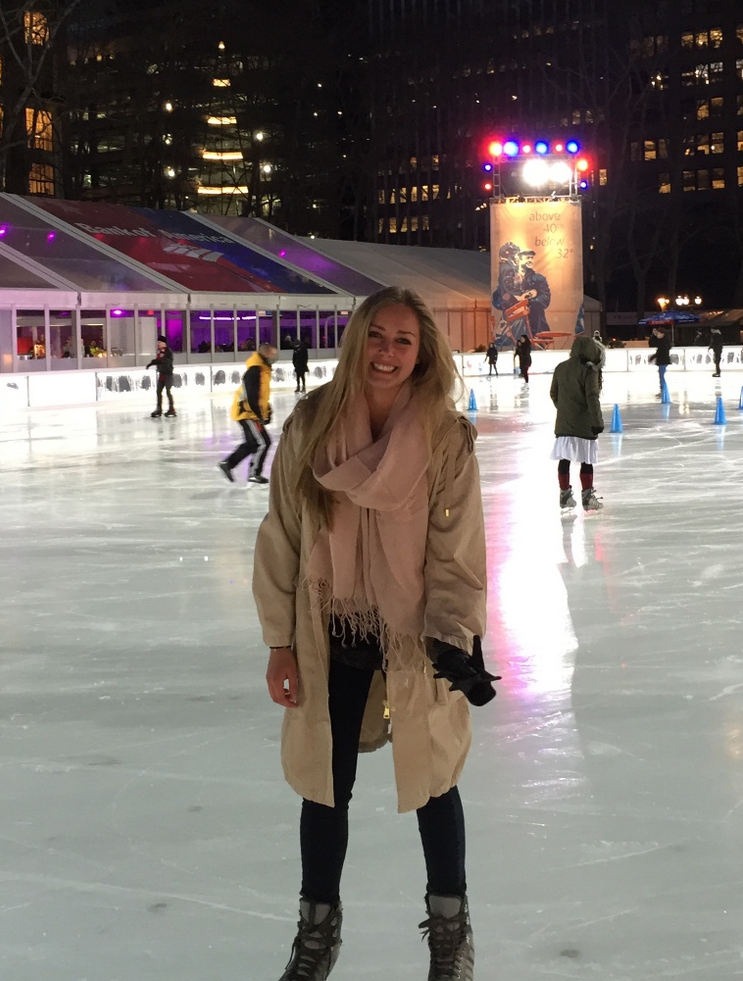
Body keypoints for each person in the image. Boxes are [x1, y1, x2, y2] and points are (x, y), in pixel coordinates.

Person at [252, 287, 494, 981]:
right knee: (324, 789)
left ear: (422, 353)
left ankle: (451, 935)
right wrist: (278, 642)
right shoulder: (312, 423)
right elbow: (283, 536)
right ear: (358, 338)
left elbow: (458, 549)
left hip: (416, 641)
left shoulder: (445, 437)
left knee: (433, 784)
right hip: (327, 635)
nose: (387, 353)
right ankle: (316, 933)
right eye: (378, 336)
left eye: (403, 341)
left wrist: (454, 635)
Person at [550, 335, 605, 512]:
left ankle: (564, 495)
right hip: (584, 423)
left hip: (564, 422)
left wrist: (564, 409)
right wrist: (597, 421)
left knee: (564, 459)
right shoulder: (589, 370)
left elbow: (553, 393)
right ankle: (587, 497)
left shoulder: (560, 368)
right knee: (586, 460)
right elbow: (592, 397)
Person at [219, 342, 276, 483]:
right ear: (265, 353)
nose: (275, 357)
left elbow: (262, 396)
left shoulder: (263, 370)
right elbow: (251, 397)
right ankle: (254, 473)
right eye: (272, 354)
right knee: (263, 442)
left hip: (250, 413)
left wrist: (267, 412)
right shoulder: (254, 371)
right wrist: (259, 416)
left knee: (252, 443)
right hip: (246, 413)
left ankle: (228, 463)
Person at [147, 335, 178, 417]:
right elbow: (158, 360)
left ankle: (172, 409)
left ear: (164, 343)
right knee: (158, 392)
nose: (158, 344)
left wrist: (162, 361)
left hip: (168, 375)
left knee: (168, 392)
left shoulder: (168, 352)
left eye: (159, 342)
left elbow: (168, 361)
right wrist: (151, 364)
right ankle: (159, 409)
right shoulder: (159, 352)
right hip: (162, 375)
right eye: (158, 342)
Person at [650, 325, 673, 398]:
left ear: (662, 334)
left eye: (659, 333)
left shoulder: (664, 342)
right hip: (662, 361)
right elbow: (652, 344)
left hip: (663, 361)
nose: (658, 335)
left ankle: (663, 390)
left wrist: (653, 357)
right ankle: (663, 390)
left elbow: (657, 347)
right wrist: (654, 335)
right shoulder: (664, 341)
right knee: (661, 376)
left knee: (661, 376)